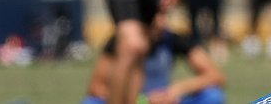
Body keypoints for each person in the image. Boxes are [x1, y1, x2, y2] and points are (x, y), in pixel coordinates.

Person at [81, 13, 226, 104]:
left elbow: (215, 76)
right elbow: (96, 87)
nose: (161, 22)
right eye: (155, 15)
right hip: (129, 100)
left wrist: (177, 90)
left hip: (165, 99)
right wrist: (142, 100)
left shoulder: (172, 39)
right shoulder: (120, 41)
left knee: (213, 96)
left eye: (163, 15)